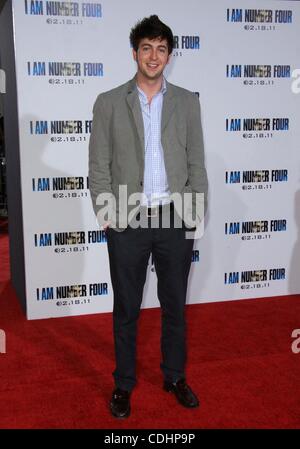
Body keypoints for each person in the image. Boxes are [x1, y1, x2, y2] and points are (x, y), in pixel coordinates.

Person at [89, 15, 208, 418]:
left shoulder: (188, 102)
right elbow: (99, 166)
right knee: (127, 307)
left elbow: (197, 163)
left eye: (161, 49)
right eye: (146, 48)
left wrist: (194, 213)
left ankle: (174, 376)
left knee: (175, 304)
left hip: (175, 218)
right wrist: (108, 213)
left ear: (169, 55)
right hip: (128, 218)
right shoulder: (108, 102)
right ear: (135, 53)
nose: (153, 56)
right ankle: (123, 383)